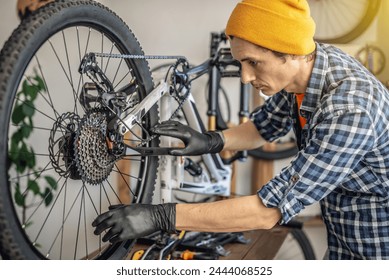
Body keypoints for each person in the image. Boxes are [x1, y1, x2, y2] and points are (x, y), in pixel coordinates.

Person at [92, 0, 389, 260]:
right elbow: (263, 127)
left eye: (253, 63)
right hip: (344, 246)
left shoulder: (349, 109)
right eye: (240, 63)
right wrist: (212, 140)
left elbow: (267, 211)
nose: (246, 77)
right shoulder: (305, 72)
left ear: (290, 52)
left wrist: (161, 216)